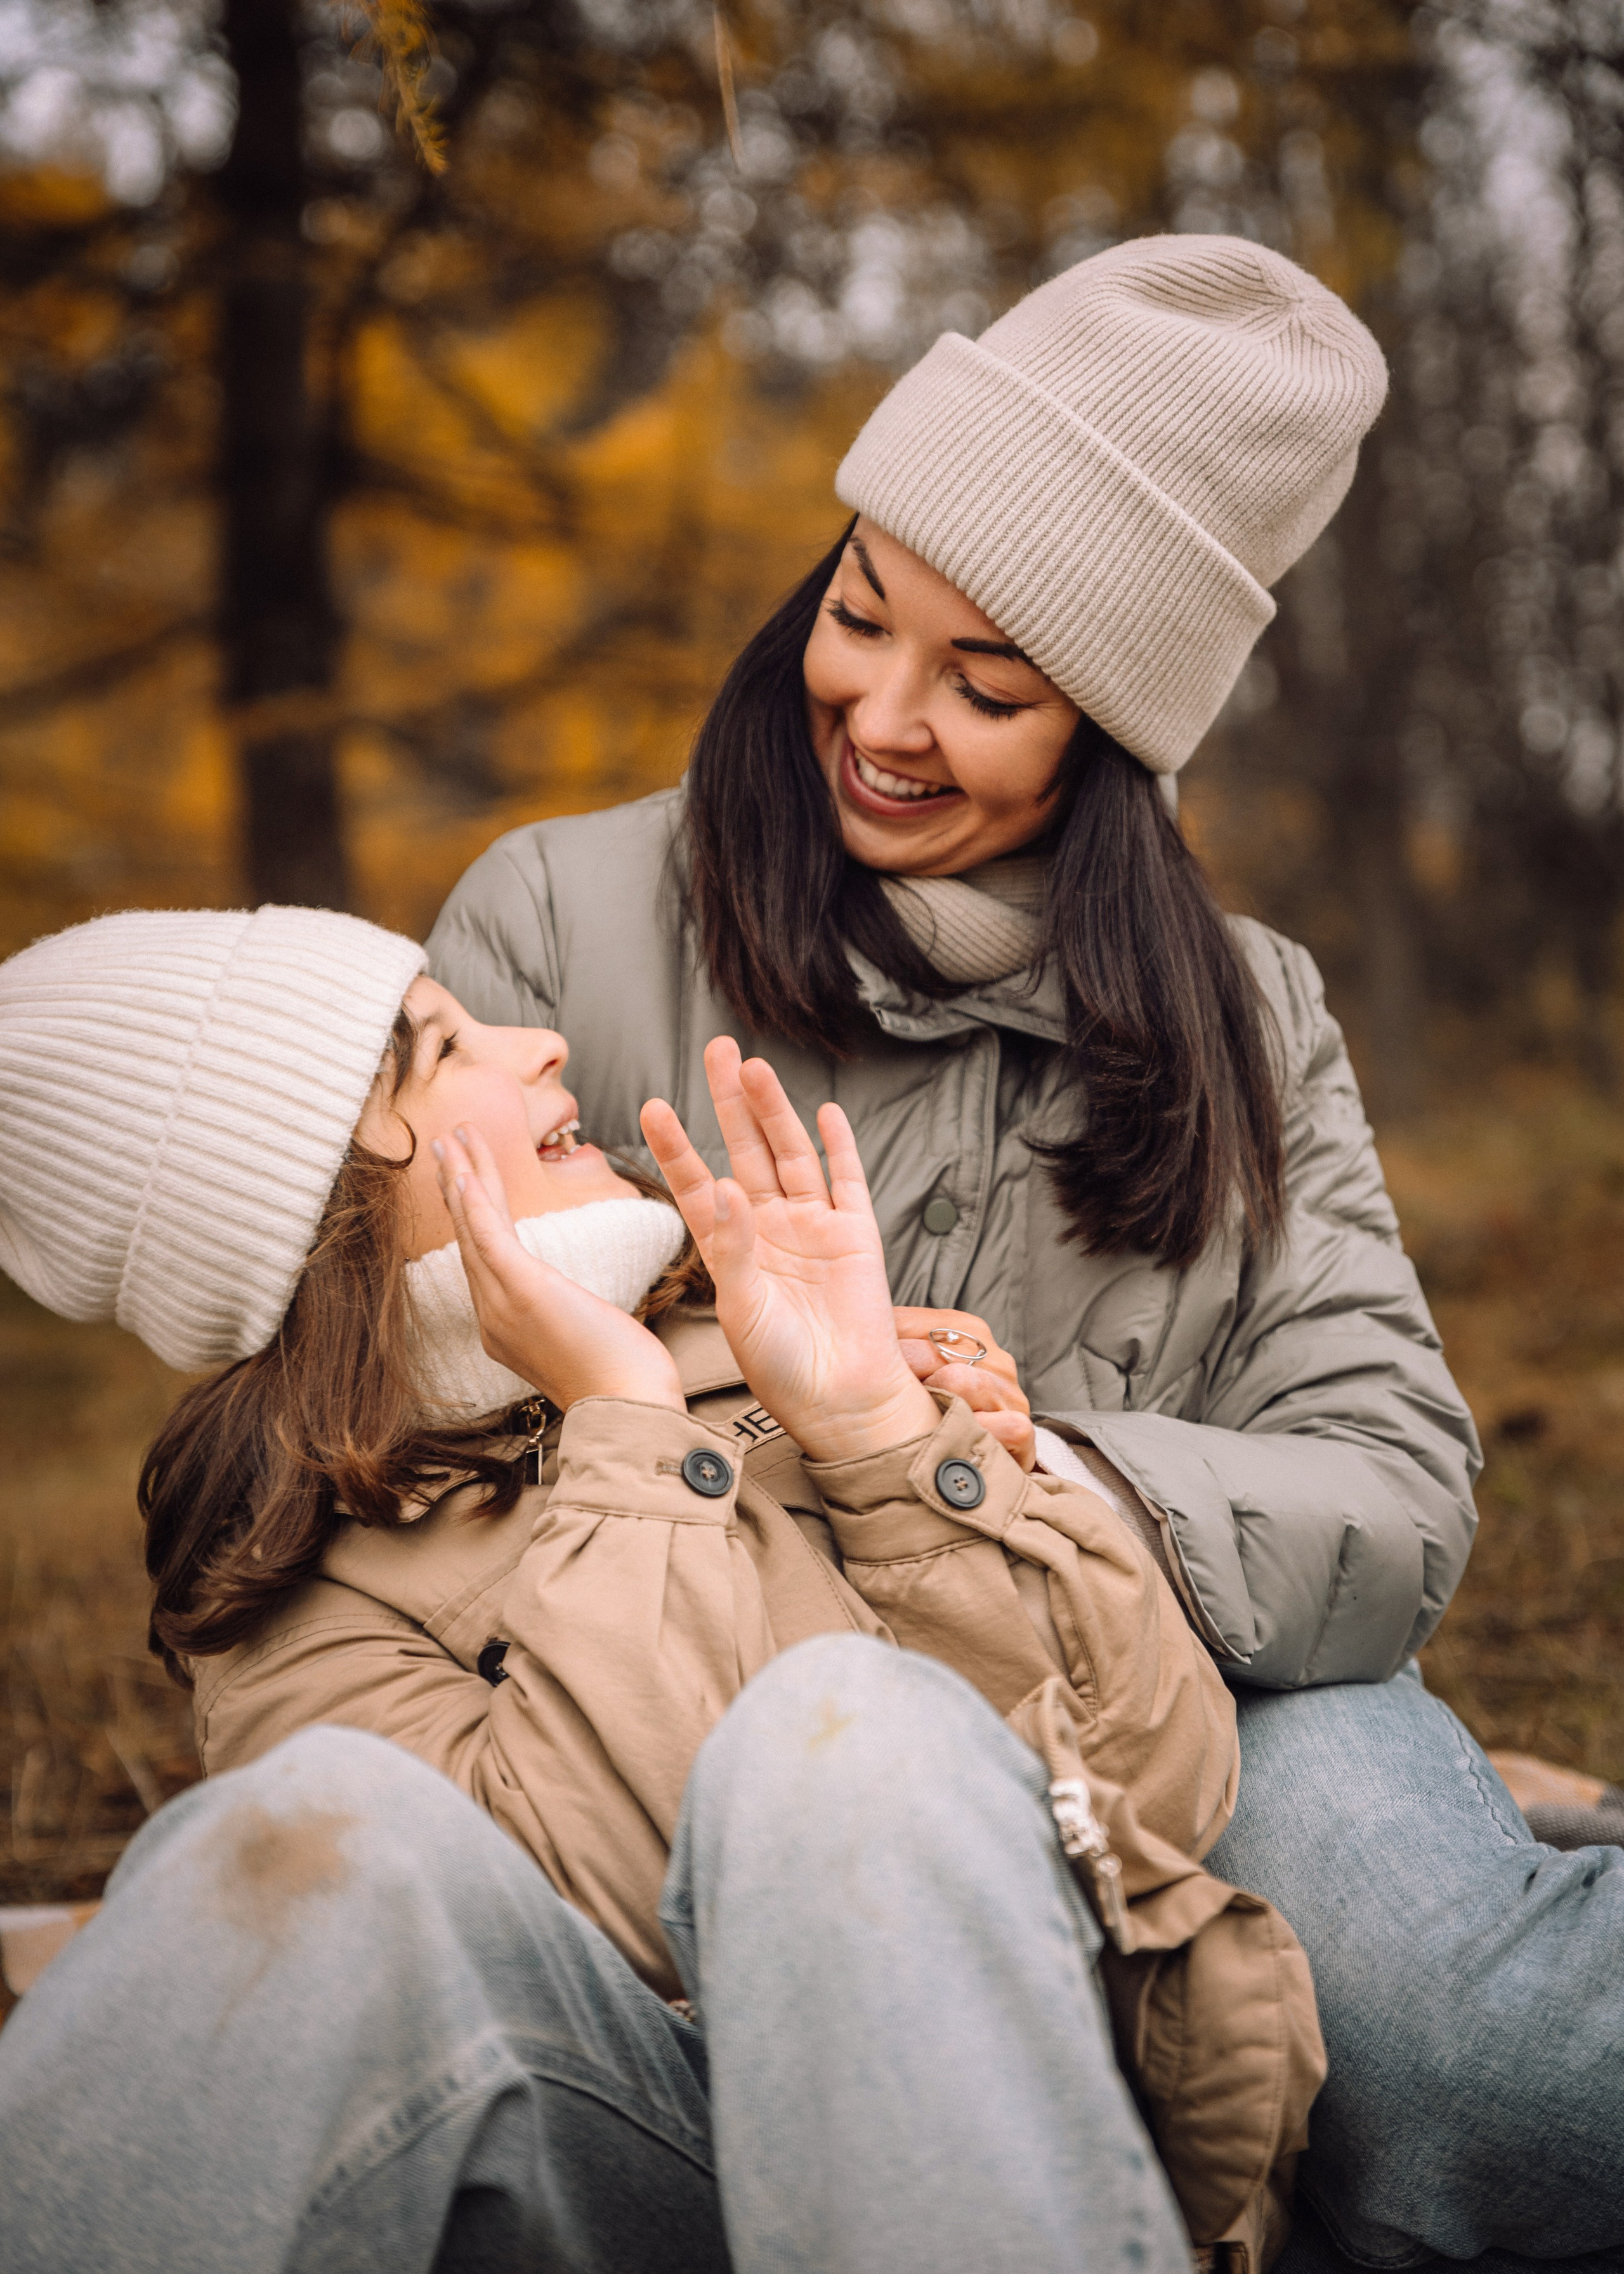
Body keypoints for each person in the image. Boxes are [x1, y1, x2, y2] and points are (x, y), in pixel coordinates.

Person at [426, 235, 1624, 2267]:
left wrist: (1038, 1466)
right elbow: (395, 1389)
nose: (881, 718)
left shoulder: (1254, 1017)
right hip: (720, 1712)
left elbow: (1394, 1483)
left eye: (988, 687)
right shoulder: (557, 921)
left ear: (1122, 731)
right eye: (858, 612)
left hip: (1209, 1694)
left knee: (1475, 2093)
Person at [0, 902, 1318, 2274]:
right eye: (443, 1048)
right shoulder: (295, 1601)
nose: (540, 1042)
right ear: (318, 1209)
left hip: (1012, 2110)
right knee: (284, 1836)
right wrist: (620, 1424)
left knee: (845, 1733)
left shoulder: (763, 1328)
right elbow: (572, 1928)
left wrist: (875, 1431)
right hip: (651, 2160)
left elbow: (1160, 1785)